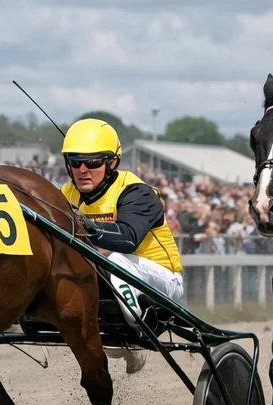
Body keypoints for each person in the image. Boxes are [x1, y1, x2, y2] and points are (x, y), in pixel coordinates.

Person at [60, 118, 184, 312]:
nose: (82, 170)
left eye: (92, 162)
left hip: (163, 279)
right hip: (104, 272)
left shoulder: (138, 193)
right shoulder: (66, 194)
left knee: (116, 258)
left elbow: (127, 239)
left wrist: (81, 222)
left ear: (113, 162)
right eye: (75, 162)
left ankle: (138, 323)